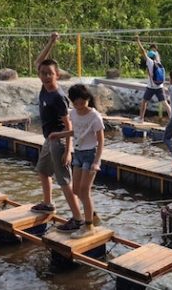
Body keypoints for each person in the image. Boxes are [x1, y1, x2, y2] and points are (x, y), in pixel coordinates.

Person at [31, 32, 83, 233]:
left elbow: (69, 125)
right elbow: (39, 61)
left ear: (57, 75)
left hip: (59, 142)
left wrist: (68, 150)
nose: (45, 76)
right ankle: (48, 203)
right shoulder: (44, 87)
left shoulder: (58, 96)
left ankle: (77, 218)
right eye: (43, 73)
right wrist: (51, 42)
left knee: (64, 181)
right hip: (48, 139)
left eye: (49, 73)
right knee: (43, 171)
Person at [66, 84, 105, 239]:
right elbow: (77, 131)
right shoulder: (73, 114)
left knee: (84, 190)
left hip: (90, 154)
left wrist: (97, 162)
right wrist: (60, 134)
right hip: (78, 153)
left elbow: (101, 141)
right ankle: (92, 214)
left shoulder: (95, 117)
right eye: (76, 103)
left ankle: (88, 226)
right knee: (76, 189)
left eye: (82, 102)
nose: (79, 106)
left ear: (88, 99)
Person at [134, 36, 171, 123]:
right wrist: (154, 48)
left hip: (151, 87)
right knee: (165, 103)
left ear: (149, 56)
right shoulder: (159, 63)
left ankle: (141, 118)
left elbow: (143, 51)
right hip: (159, 86)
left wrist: (138, 41)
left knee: (144, 102)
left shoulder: (149, 62)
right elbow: (156, 53)